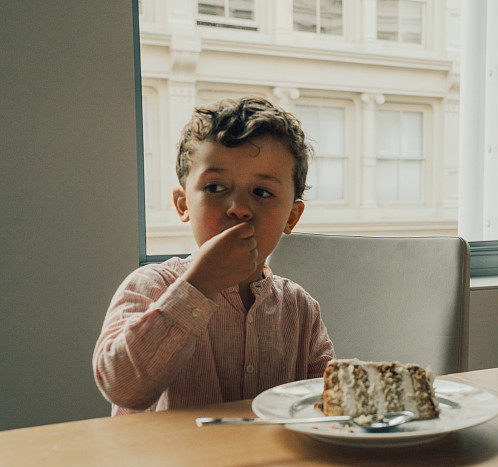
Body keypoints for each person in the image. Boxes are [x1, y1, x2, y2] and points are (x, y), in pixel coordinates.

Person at [93, 96, 334, 415]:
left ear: (291, 217)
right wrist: (199, 285)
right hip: (171, 464)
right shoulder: (149, 286)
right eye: (216, 188)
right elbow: (122, 387)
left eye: (262, 193)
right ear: (183, 205)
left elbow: (326, 404)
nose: (239, 209)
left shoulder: (301, 311)